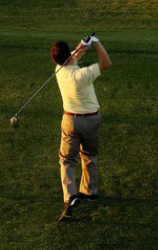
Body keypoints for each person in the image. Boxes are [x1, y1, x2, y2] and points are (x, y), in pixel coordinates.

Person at [52, 35, 112, 222]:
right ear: (68, 56)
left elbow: (73, 56)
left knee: (67, 160)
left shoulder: (59, 70)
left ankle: (70, 196)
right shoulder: (82, 75)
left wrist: (82, 46)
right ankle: (89, 192)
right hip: (91, 120)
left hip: (70, 120)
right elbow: (106, 63)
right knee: (89, 155)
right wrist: (96, 43)